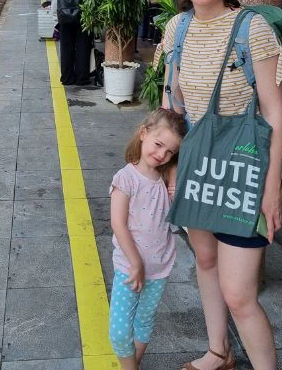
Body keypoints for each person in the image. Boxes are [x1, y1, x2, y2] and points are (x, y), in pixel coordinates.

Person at [159, 0, 282, 370]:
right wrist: (170, 168)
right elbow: (171, 105)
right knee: (206, 261)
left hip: (242, 170)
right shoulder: (177, 28)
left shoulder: (252, 29)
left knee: (240, 295)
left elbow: (274, 113)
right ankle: (219, 351)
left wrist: (272, 192)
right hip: (195, 163)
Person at [109, 109, 187, 370]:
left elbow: (178, 212)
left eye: (170, 152)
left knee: (144, 321)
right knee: (120, 332)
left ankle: (134, 364)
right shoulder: (126, 178)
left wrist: (174, 174)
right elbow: (118, 223)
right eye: (158, 144)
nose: (161, 154)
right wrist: (135, 263)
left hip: (159, 268)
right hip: (129, 268)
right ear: (143, 134)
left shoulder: (165, 181)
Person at [53, 0, 92, 85]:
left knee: (66, 47)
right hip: (83, 17)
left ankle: (67, 77)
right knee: (83, 46)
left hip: (64, 17)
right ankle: (82, 78)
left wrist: (55, 18)